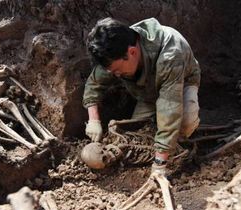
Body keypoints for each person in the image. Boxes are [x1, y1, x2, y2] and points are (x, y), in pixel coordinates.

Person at [83, 17, 201, 175]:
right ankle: (162, 139)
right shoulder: (115, 50)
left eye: (118, 70)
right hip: (147, 93)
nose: (116, 75)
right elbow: (94, 83)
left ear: (131, 52)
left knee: (184, 123)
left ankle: (175, 147)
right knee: (139, 132)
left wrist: (160, 163)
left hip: (180, 83)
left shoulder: (170, 54)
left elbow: (169, 108)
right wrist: (93, 119)